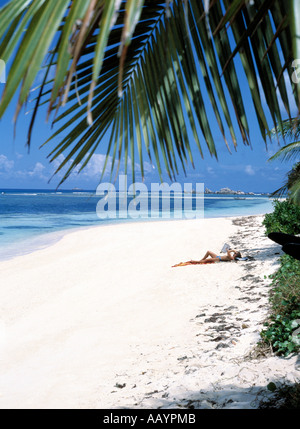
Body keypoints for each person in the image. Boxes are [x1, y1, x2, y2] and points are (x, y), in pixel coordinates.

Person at [172, 249, 242, 267]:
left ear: (235, 255)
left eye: (235, 253)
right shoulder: (232, 257)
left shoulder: (232, 258)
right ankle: (201, 260)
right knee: (208, 252)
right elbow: (228, 252)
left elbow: (228, 252)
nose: (234, 253)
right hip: (217, 256)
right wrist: (232, 251)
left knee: (204, 261)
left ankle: (193, 261)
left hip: (217, 259)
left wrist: (232, 250)